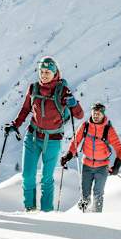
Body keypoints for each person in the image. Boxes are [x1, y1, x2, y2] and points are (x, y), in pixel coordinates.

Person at [5, 57, 83, 212]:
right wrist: (15, 124)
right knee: (27, 176)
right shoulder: (33, 88)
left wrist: (74, 104)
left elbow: (79, 115)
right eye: (42, 71)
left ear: (55, 73)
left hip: (53, 140)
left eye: (48, 72)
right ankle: (30, 209)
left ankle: (46, 213)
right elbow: (25, 109)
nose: (44, 75)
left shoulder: (62, 91)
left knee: (47, 178)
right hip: (32, 136)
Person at [61, 101, 121, 213]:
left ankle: (96, 218)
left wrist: (117, 166)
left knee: (98, 193)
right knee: (85, 194)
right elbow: (75, 142)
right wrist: (68, 155)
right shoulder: (85, 126)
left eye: (98, 114)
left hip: (102, 167)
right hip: (87, 165)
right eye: (94, 113)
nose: (96, 116)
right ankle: (84, 215)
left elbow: (120, 149)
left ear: (103, 114)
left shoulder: (108, 130)